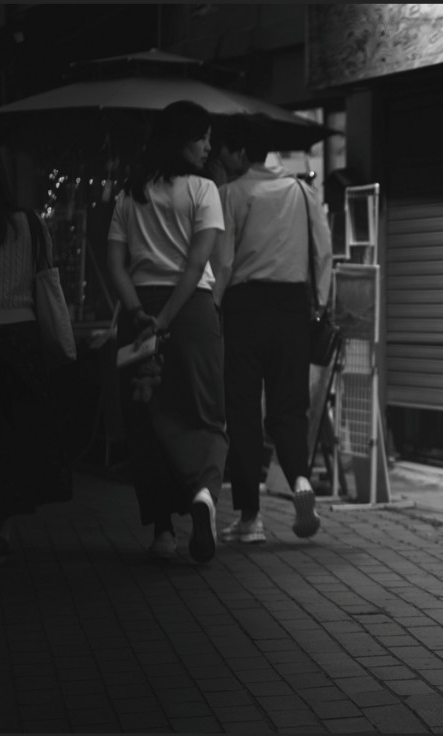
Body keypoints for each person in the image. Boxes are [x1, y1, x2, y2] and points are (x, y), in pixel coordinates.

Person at [106, 100, 228, 564]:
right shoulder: (203, 190)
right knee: (203, 410)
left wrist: (140, 314)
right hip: (191, 311)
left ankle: (162, 532)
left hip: (139, 313)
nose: (208, 147)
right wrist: (169, 317)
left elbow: (114, 264)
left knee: (148, 420)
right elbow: (198, 265)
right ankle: (203, 494)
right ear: (182, 139)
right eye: (202, 138)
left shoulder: (128, 194)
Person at [211, 114, 333, 543]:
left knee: (243, 410)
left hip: (245, 307)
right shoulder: (302, 191)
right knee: (290, 406)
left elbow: (223, 261)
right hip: (293, 307)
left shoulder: (232, 193)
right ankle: (300, 479)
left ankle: (250, 518)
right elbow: (323, 253)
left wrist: (215, 305)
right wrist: (318, 304)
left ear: (243, 151)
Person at [0, 142, 74, 565]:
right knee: (11, 438)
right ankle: (2, 529)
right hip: (21, 340)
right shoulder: (29, 224)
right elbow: (45, 280)